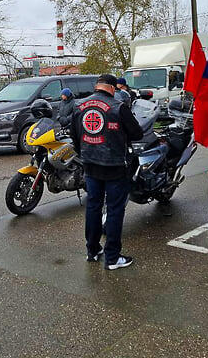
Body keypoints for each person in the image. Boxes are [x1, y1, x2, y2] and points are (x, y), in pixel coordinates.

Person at [72, 74, 144, 271]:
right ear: (112, 88)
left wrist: (86, 153)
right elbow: (137, 133)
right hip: (114, 166)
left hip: (90, 164)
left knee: (93, 207)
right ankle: (112, 257)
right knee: (114, 210)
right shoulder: (118, 107)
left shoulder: (79, 106)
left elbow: (75, 135)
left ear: (97, 86)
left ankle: (92, 251)